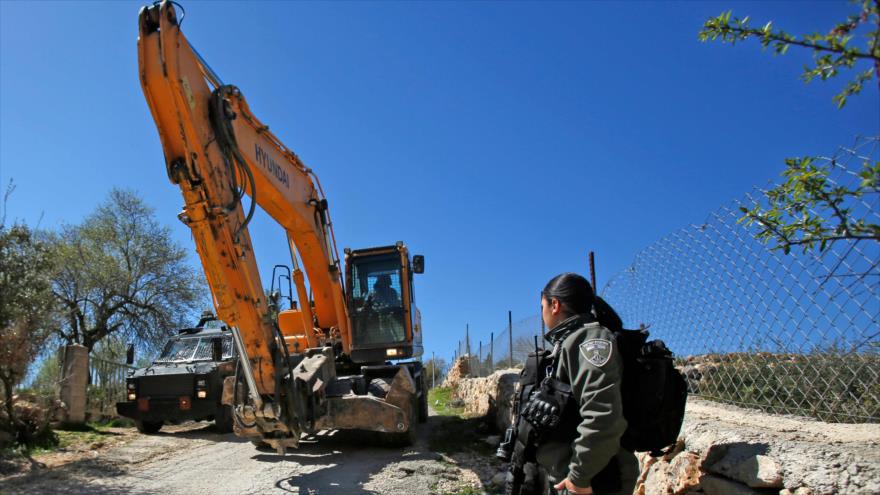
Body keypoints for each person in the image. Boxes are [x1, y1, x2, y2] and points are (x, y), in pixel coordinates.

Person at [534, 272, 638, 495]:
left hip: (597, 480)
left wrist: (579, 477)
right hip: (575, 476)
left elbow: (603, 415)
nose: (541, 314)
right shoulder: (569, 342)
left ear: (554, 305)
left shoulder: (590, 341)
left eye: (542, 306)